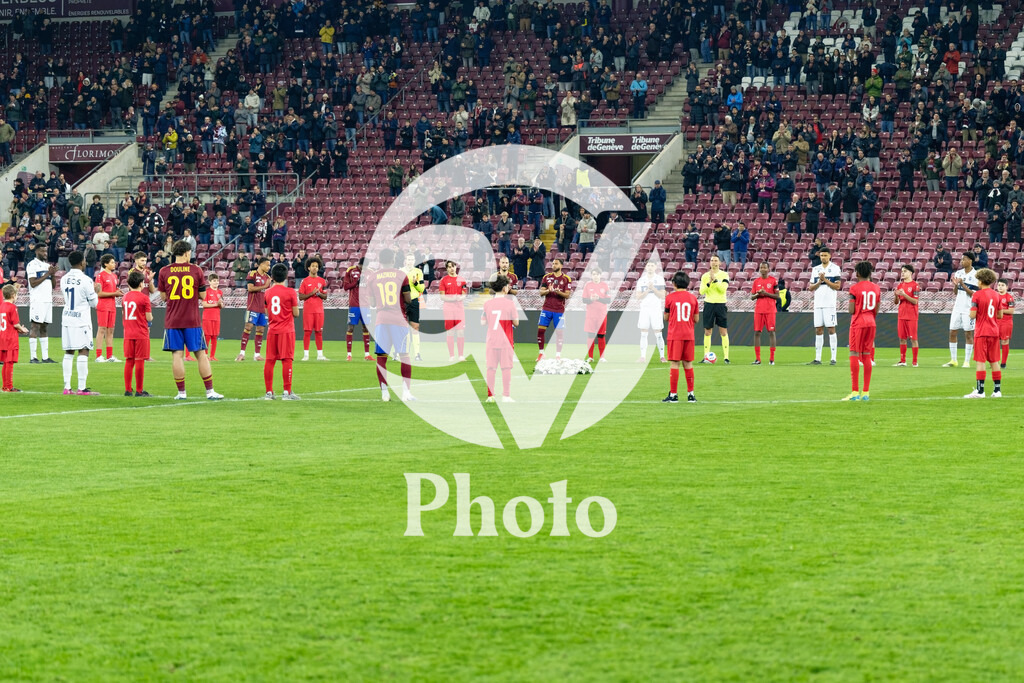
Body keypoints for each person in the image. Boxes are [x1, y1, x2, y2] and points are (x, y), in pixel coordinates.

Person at [158, 241, 223, 401]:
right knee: (201, 354)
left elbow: (163, 297)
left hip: (173, 320)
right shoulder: (196, 270)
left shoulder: (164, 271)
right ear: (187, 253)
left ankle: (181, 393)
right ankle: (210, 392)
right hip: (192, 319)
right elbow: (202, 296)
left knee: (177, 356)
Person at [367, 249, 413, 402]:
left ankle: (384, 393)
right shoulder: (401, 275)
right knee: (404, 355)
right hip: (398, 320)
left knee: (381, 357)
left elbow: (372, 302)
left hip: (381, 319)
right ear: (393, 259)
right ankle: (406, 393)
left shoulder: (372, 277)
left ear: (380, 260)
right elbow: (408, 299)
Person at [59, 251, 99, 395]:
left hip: (67, 317)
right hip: (81, 320)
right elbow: (94, 303)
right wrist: (97, 292)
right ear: (82, 262)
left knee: (69, 352)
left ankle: (67, 387)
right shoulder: (86, 280)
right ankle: (81, 388)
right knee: (84, 350)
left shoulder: (63, 279)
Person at [263, 263, 301, 400]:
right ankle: (287, 392)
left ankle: (269, 392)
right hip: (287, 330)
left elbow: (267, 310)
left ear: (272, 276)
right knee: (287, 360)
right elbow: (296, 313)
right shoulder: (290, 292)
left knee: (270, 360)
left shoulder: (267, 292)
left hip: (272, 330)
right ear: (286, 277)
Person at [843, 261, 880, 401]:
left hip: (858, 322)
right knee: (867, 355)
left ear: (857, 273)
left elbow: (851, 310)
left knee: (854, 353)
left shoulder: (854, 288)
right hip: (871, 322)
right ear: (870, 273)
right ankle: (866, 393)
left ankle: (854, 392)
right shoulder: (876, 288)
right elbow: (876, 308)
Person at [964, 268, 1003, 398]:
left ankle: (980, 391)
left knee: (980, 361)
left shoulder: (977, 295)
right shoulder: (997, 295)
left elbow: (972, 314)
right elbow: (1000, 315)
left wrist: (973, 313)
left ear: (980, 281)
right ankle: (997, 391)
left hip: (981, 331)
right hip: (994, 331)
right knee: (994, 361)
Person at [662, 270, 699, 403]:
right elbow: (696, 319)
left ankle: (673, 395)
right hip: (689, 334)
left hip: (675, 334)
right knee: (688, 363)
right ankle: (691, 394)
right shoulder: (693, 298)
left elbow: (666, 317)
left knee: (675, 363)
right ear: (687, 284)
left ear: (674, 284)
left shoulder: (669, 298)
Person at [481, 274, 518, 402]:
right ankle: (506, 395)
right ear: (504, 288)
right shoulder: (510, 304)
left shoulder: (487, 304)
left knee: (491, 368)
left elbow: (483, 322)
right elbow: (516, 322)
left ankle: (490, 396)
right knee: (506, 368)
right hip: (505, 341)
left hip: (491, 341)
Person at [121, 270, 153, 397]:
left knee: (129, 360)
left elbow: (124, 314)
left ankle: (128, 390)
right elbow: (149, 318)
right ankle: (139, 391)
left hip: (128, 332)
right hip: (140, 333)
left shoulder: (125, 297)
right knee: (140, 361)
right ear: (141, 284)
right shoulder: (144, 298)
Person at [808, 247, 841, 365]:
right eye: (821, 256)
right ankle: (818, 358)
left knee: (831, 329)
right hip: (818, 304)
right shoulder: (815, 269)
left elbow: (837, 286)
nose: (823, 257)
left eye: (825, 255)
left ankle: (833, 358)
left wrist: (825, 280)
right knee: (818, 329)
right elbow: (811, 287)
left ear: (830, 256)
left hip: (830, 304)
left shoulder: (835, 268)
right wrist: (819, 281)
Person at [945, 252, 978, 367]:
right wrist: (955, 285)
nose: (961, 261)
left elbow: (974, 294)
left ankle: (967, 361)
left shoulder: (976, 275)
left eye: (964, 259)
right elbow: (955, 293)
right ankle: (953, 360)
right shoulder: (958, 273)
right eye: (961, 259)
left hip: (969, 308)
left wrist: (963, 285)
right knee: (952, 332)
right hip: (957, 307)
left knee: (968, 334)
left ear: (970, 261)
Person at [236, 257, 272, 361]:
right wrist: (264, 286)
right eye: (267, 265)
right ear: (260, 264)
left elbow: (268, 294)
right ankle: (242, 353)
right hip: (252, 306)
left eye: (269, 265)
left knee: (260, 330)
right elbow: (250, 288)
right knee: (248, 327)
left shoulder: (267, 277)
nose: (268, 267)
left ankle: (257, 355)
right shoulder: (252, 274)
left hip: (263, 308)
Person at [26, 242, 56, 364]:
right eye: (42, 251)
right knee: (35, 326)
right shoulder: (32, 265)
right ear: (36, 251)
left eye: (46, 251)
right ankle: (33, 357)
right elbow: (33, 283)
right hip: (37, 300)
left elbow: (53, 286)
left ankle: (45, 357)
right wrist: (48, 274)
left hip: (48, 300)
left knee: (44, 327)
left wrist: (52, 275)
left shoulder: (47, 265)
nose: (45, 253)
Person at [538, 258, 572, 360]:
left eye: (556, 264)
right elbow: (541, 292)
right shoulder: (546, 277)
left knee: (559, 333)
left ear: (561, 266)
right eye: (553, 264)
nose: (553, 265)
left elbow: (567, 295)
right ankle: (541, 353)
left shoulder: (566, 279)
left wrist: (558, 292)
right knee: (540, 330)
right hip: (546, 308)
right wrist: (549, 290)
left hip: (559, 310)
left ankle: (558, 355)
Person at [699, 255, 730, 364]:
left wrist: (715, 280)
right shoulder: (705, 276)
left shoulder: (724, 275)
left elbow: (722, 289)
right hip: (709, 304)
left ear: (720, 263)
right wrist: (709, 282)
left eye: (716, 260)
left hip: (721, 304)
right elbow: (701, 291)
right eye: (712, 260)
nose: (714, 262)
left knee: (723, 331)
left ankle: (726, 357)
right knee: (707, 331)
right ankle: (705, 356)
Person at [93, 254, 123, 363]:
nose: (114, 264)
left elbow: (112, 291)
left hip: (112, 306)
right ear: (105, 264)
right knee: (102, 329)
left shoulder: (114, 276)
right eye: (111, 262)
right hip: (103, 305)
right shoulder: (100, 276)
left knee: (111, 330)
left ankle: (110, 356)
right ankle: (99, 356)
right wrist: (114, 293)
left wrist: (117, 292)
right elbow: (99, 293)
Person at [299, 256, 329, 361]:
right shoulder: (305, 281)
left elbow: (325, 296)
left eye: (316, 266)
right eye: (313, 266)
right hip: (308, 310)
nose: (315, 268)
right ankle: (306, 355)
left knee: (319, 332)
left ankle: (320, 355)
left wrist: (319, 293)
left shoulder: (322, 281)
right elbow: (301, 296)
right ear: (308, 268)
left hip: (319, 310)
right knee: (307, 332)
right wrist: (311, 293)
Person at [0, 284, 29, 392]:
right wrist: (23, 329)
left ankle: (5, 386)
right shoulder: (12, 307)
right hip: (10, 339)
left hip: (2, 337)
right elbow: (15, 324)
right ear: (13, 295)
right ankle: (9, 386)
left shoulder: (1, 306)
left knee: (5, 363)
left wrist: (18, 329)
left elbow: (8, 323)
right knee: (9, 363)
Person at [636, 262, 667, 363]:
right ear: (645, 267)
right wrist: (647, 290)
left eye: (652, 265)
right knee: (643, 333)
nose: (650, 267)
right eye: (648, 265)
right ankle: (643, 356)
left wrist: (653, 289)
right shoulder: (641, 280)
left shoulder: (659, 279)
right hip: (645, 308)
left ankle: (662, 356)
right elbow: (638, 296)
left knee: (658, 334)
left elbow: (663, 295)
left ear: (655, 267)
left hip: (656, 309)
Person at [750, 262, 779, 365]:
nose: (762, 269)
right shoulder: (756, 281)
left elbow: (777, 296)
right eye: (761, 267)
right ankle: (758, 359)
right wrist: (759, 294)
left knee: (771, 332)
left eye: (764, 267)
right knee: (757, 333)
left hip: (770, 310)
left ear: (768, 269)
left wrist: (765, 293)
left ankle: (772, 359)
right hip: (758, 310)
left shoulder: (773, 280)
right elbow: (752, 297)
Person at [439, 260, 468, 361]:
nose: (452, 269)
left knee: (460, 332)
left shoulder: (462, 280)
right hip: (448, 308)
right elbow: (442, 297)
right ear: (446, 269)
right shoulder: (444, 280)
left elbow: (464, 293)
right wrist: (453, 298)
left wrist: (460, 298)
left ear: (456, 267)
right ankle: (451, 355)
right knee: (450, 332)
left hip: (459, 308)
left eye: (453, 266)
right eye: (449, 267)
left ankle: (461, 355)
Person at [343, 258, 371, 361]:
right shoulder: (350, 270)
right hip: (354, 305)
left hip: (366, 305)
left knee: (366, 328)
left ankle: (367, 354)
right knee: (350, 328)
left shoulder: (370, 272)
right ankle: (349, 354)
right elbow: (345, 287)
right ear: (359, 265)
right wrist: (356, 283)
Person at [582, 268, 611, 362]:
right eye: (593, 274)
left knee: (601, 335)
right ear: (591, 275)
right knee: (590, 335)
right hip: (590, 314)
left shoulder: (605, 286)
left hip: (601, 315)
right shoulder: (588, 285)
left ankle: (602, 357)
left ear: (600, 275)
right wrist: (590, 299)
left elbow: (608, 300)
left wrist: (598, 298)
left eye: (597, 274)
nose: (595, 276)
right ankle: (590, 357)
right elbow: (584, 300)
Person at [894, 265, 920, 367]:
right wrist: (896, 295)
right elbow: (896, 302)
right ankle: (903, 360)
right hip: (901, 315)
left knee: (913, 339)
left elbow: (915, 301)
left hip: (912, 316)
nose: (903, 273)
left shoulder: (915, 285)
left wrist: (904, 294)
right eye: (902, 271)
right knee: (902, 338)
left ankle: (914, 362)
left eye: (905, 271)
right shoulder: (900, 285)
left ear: (910, 273)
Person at [402, 252, 426, 361]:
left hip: (414, 302)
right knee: (402, 328)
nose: (410, 261)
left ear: (414, 261)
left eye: (412, 259)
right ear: (405, 260)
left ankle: (417, 354)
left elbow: (421, 289)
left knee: (415, 328)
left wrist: (416, 283)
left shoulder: (418, 272)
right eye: (408, 259)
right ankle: (401, 353)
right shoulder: (400, 271)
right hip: (402, 302)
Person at [201, 272, 224, 360]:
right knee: (207, 336)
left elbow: (221, 306)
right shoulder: (206, 292)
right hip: (207, 317)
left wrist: (220, 304)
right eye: (214, 281)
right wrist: (216, 304)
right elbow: (204, 304)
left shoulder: (220, 292)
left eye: (217, 281)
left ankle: (212, 356)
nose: (216, 282)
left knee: (215, 336)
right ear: (209, 282)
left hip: (216, 317)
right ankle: (205, 355)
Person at [997, 278, 1015, 368]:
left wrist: (1000, 310)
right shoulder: (995, 296)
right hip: (995, 322)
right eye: (999, 285)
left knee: (1004, 341)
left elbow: (1011, 311)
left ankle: (1003, 363)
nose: (1000, 287)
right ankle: (994, 361)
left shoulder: (1009, 297)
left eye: (1002, 285)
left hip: (1006, 322)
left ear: (1007, 287)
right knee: (994, 341)